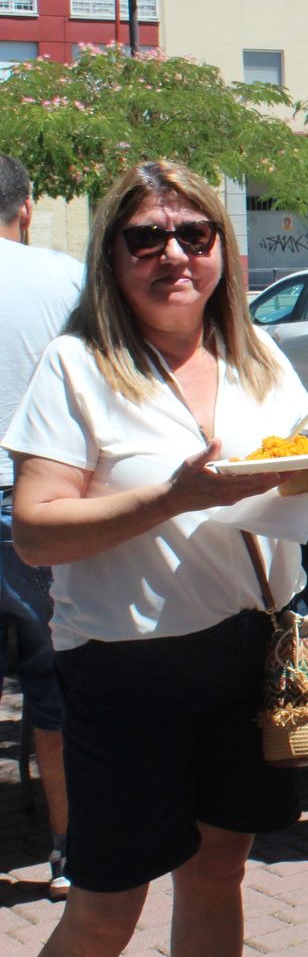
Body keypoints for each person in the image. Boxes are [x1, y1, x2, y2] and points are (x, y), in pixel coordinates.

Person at [4, 161, 308, 955]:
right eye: (146, 237)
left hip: (254, 653)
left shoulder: (257, 358)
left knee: (219, 872)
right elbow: (36, 531)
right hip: (128, 666)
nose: (174, 254)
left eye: (194, 234)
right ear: (112, 256)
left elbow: (302, 464)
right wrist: (173, 498)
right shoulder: (79, 364)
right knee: (107, 906)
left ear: (222, 247)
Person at [0, 154, 81, 900]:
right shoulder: (61, 276)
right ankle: (69, 853)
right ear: (25, 209)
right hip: (36, 495)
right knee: (54, 689)